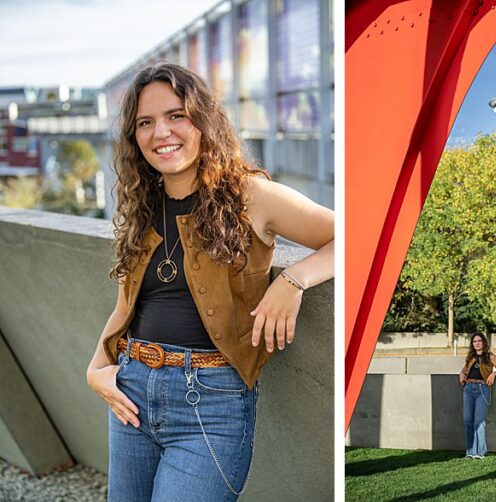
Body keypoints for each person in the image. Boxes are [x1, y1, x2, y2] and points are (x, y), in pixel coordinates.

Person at [84, 63, 334, 501]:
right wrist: (95, 369)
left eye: (176, 115)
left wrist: (293, 280)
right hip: (131, 390)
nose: (161, 132)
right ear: (134, 136)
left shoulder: (250, 195)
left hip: (213, 404)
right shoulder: (143, 206)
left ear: (203, 120)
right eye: (146, 122)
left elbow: (353, 235)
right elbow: (127, 306)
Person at [458, 333, 496, 459]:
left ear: (484, 343)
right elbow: (464, 369)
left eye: (479, 341)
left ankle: (480, 452)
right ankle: (470, 452)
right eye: (474, 341)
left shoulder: (491, 357)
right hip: (468, 388)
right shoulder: (470, 357)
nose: (477, 343)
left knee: (479, 421)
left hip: (482, 389)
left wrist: (493, 374)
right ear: (472, 344)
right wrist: (461, 374)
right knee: (468, 420)